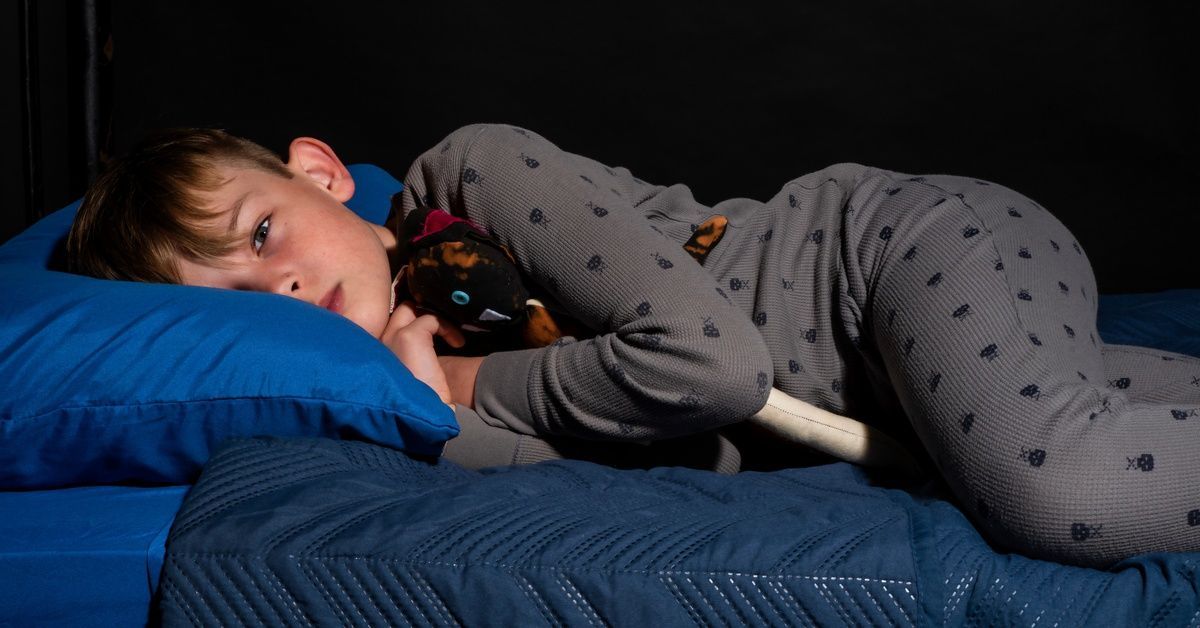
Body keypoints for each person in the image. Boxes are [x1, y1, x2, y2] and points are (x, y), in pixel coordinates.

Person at [67, 123, 1199, 569]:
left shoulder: (467, 177)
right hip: (897, 395)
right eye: (245, 300)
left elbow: (712, 370)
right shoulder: (395, 390)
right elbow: (654, 458)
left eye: (264, 233)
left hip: (888, 260)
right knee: (1113, 423)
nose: (289, 285)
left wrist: (467, 382)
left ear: (316, 172)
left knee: (1059, 493)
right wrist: (442, 424)